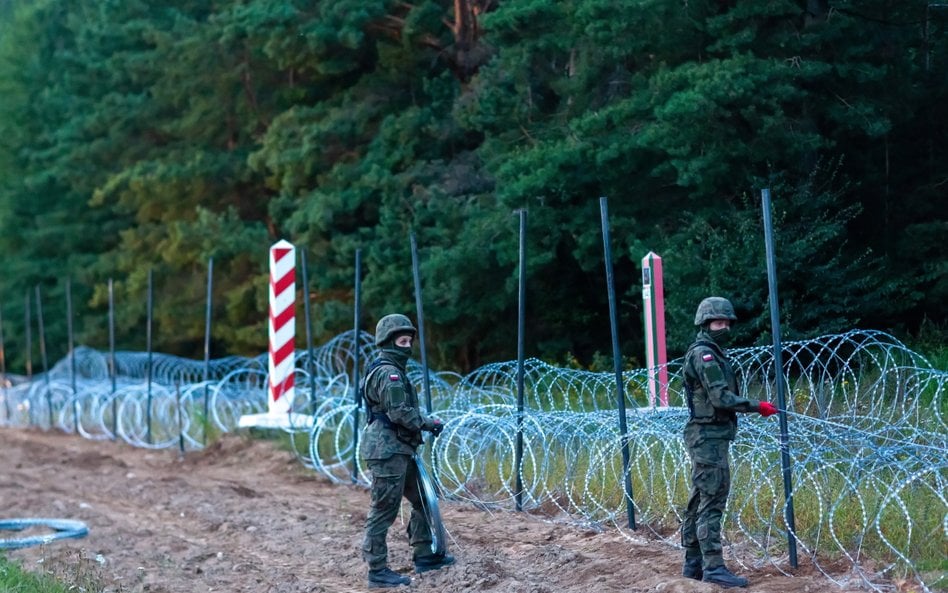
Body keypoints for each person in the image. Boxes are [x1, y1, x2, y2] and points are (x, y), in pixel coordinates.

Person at [680, 297, 778, 588]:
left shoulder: (712, 352)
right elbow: (720, 397)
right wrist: (756, 406)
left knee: (699, 501)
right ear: (705, 323)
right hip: (708, 436)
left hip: (709, 436)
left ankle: (693, 565)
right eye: (717, 322)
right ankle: (713, 568)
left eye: (726, 322)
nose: (723, 327)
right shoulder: (705, 355)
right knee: (712, 501)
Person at [360, 313, 455, 588]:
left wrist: (422, 422)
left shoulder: (392, 371)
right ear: (389, 342)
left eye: (409, 341)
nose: (407, 347)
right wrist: (427, 423)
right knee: (384, 510)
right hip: (387, 451)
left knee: (425, 498)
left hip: (399, 448)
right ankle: (377, 570)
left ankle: (424, 555)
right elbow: (399, 412)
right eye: (402, 341)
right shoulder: (388, 374)